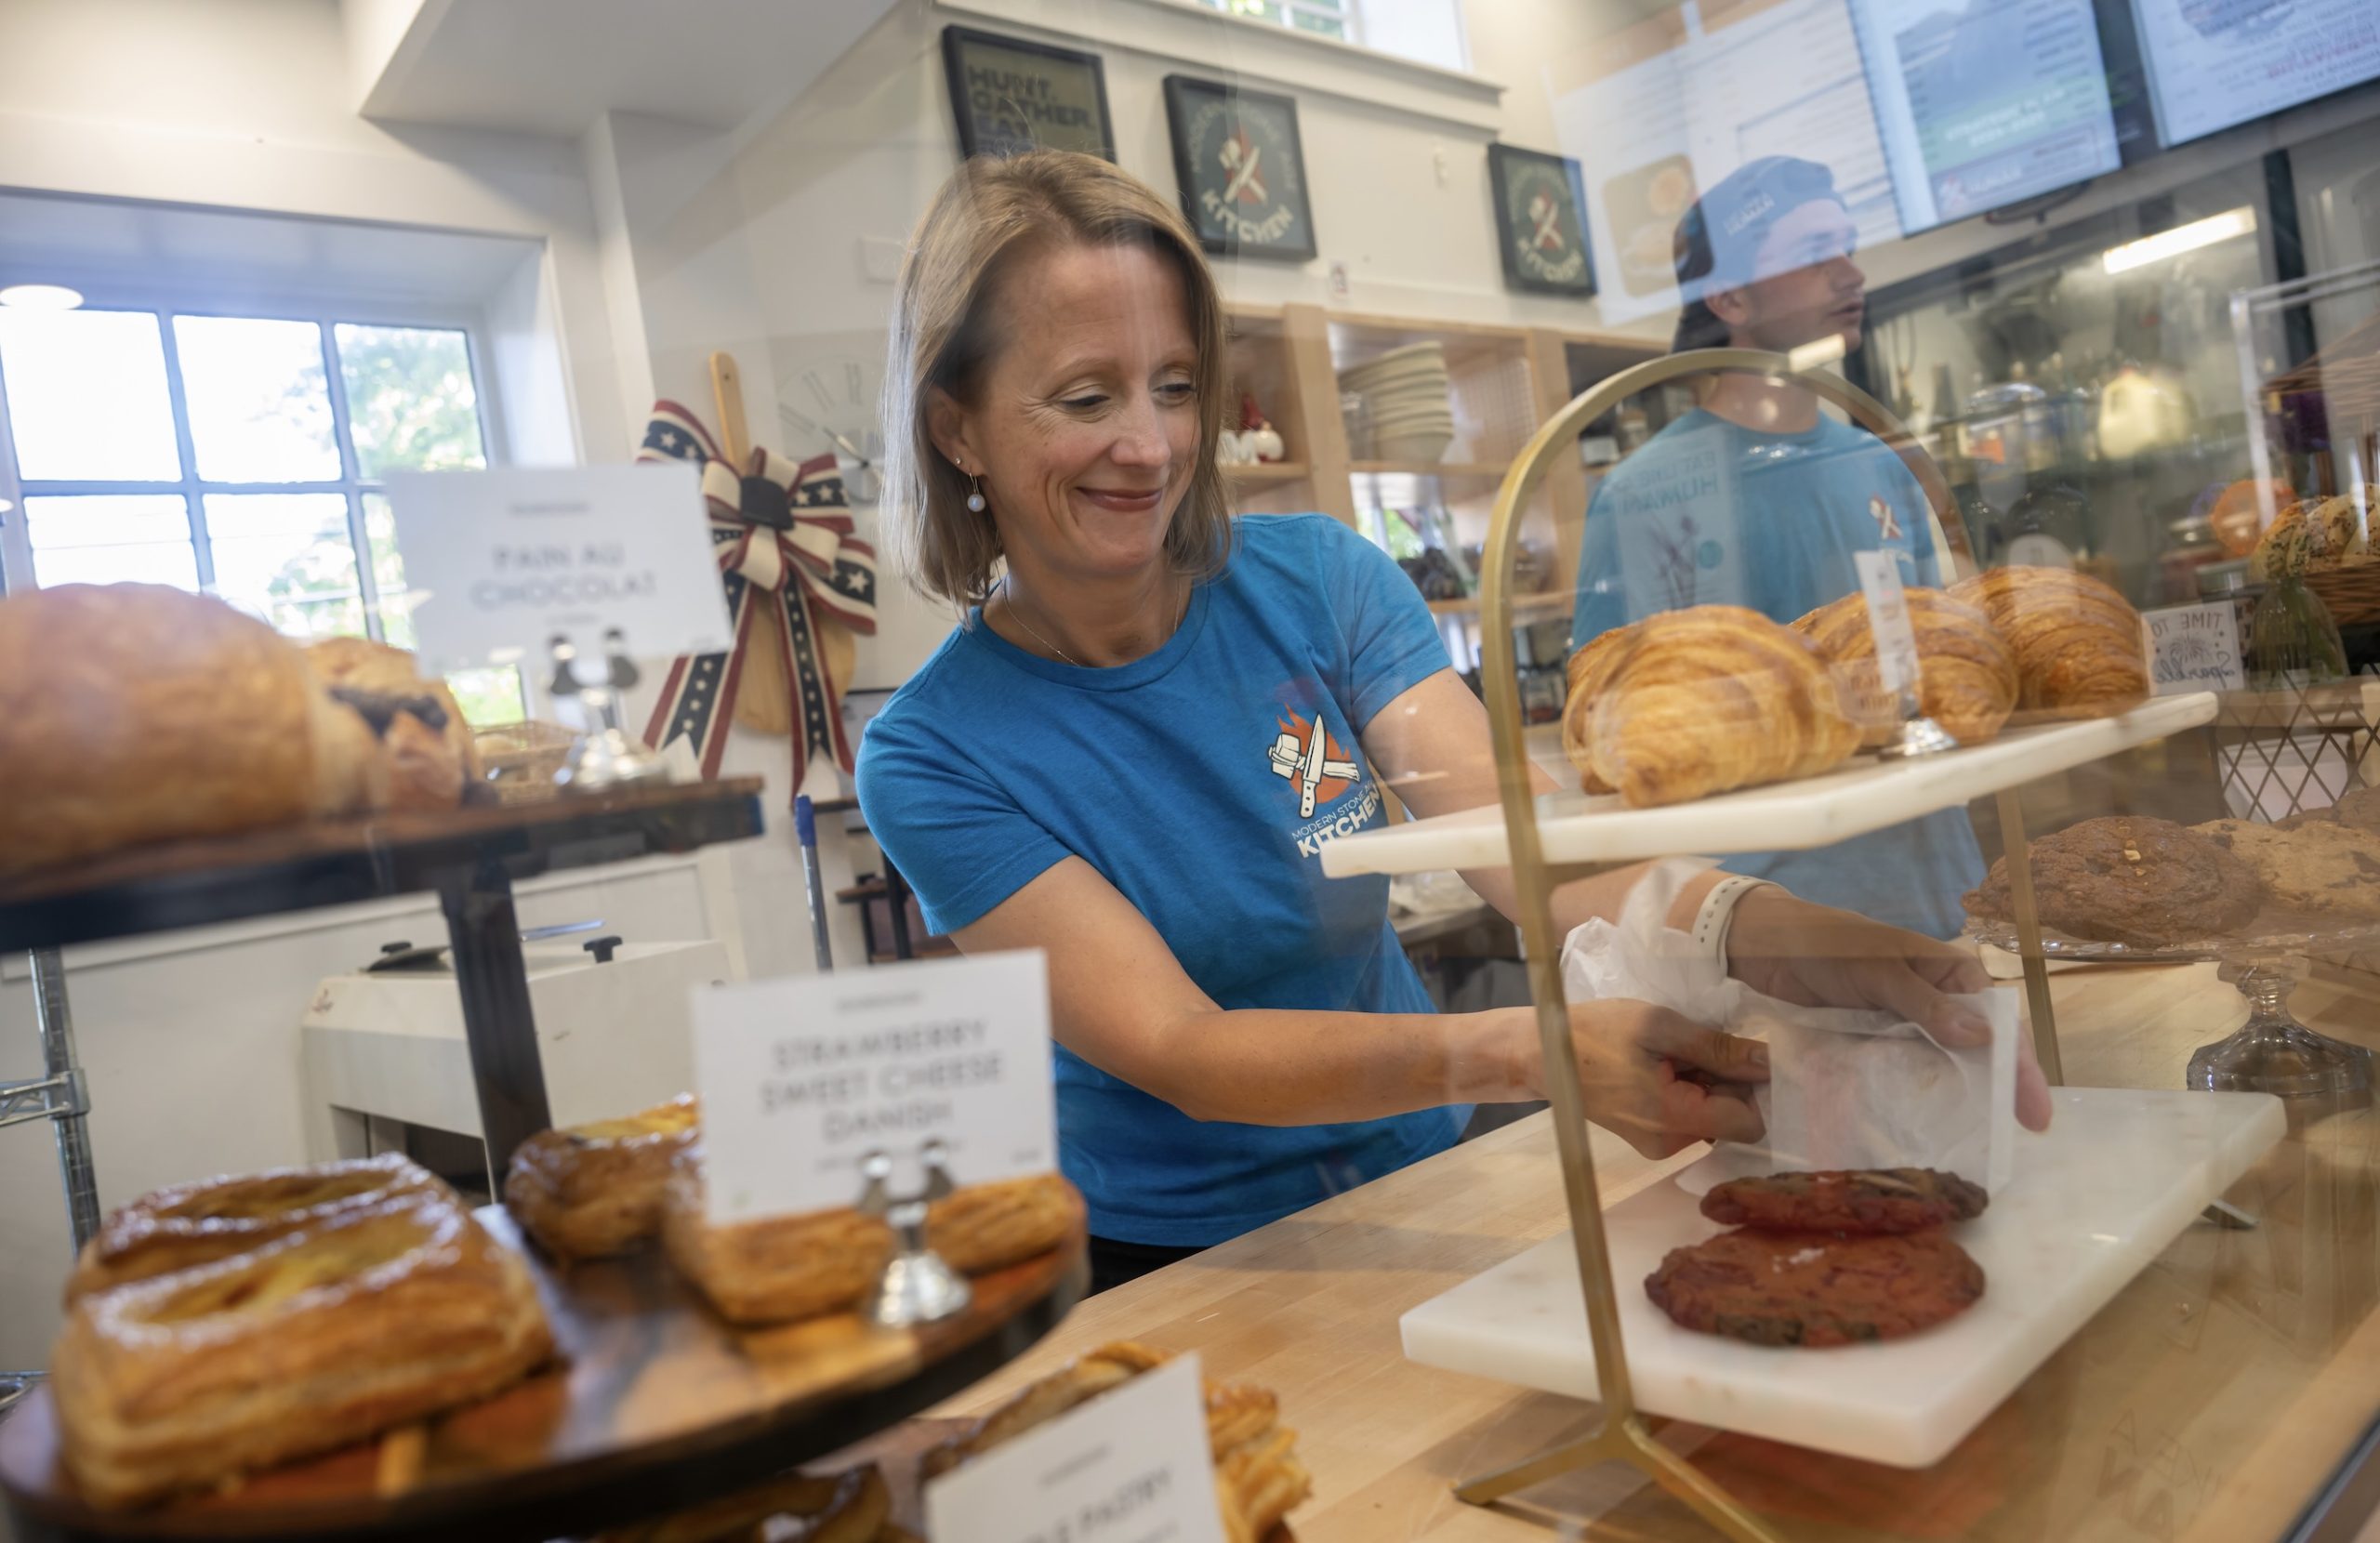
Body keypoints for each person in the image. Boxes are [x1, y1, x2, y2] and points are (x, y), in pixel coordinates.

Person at [859, 151, 2048, 1296]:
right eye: (1085, 397)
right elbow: (1183, 1048)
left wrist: (1766, 926)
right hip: (1179, 1261)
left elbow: (1523, 850)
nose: (1153, 443)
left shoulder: (1318, 582)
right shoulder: (934, 752)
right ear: (956, 425)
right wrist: (1528, 1051)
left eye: (1175, 386)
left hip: (1423, 1178)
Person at [1569, 156, 1984, 940]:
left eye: (1848, 245)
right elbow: (1615, 733)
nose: (1850, 273)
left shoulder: (1876, 465)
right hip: (1770, 927)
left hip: (1939, 892)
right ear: (1727, 296)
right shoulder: (1650, 491)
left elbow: (1925, 676)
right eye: (1814, 253)